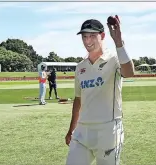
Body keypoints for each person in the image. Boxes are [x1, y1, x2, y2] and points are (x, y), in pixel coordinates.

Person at [65, 17, 135, 165]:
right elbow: (78, 99)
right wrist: (71, 129)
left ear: (102, 36)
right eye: (84, 36)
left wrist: (118, 42)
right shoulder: (80, 67)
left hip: (108, 131)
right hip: (82, 131)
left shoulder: (114, 59)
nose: (87, 41)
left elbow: (129, 72)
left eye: (92, 36)